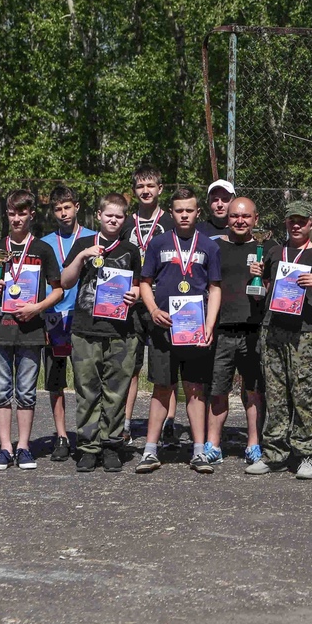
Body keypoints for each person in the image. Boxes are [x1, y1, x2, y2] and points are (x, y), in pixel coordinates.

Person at [246, 201, 312, 478]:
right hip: (273, 329)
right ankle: (274, 453)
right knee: (275, 393)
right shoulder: (274, 252)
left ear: (311, 223)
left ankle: (307, 455)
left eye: (301, 221)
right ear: (286, 223)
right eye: (291, 221)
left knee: (303, 394)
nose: (296, 225)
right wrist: (256, 281)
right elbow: (261, 292)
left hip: (306, 334)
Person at [140, 187, 224, 473]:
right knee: (162, 387)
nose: (184, 214)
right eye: (179, 210)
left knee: (195, 389)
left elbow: (214, 288)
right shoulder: (158, 243)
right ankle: (150, 450)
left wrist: (209, 324)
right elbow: (144, 281)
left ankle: (199, 451)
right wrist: (152, 310)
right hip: (164, 328)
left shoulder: (209, 246)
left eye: (189, 210)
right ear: (171, 212)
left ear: (198, 212)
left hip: (195, 330)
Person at [0, 190, 64, 470]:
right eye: (12, 213)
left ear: (31, 215)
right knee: (1, 391)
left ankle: (24, 447)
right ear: (7, 214)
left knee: (26, 391)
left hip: (31, 330)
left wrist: (37, 308)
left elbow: (59, 290)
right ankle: (4, 447)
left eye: (22, 213)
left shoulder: (42, 250)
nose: (17, 219)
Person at [60, 193, 143, 473]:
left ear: (125, 220)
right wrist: (82, 256)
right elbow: (65, 280)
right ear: (98, 215)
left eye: (119, 217)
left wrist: (136, 294)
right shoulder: (83, 244)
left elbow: (141, 285)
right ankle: (87, 446)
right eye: (108, 215)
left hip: (120, 331)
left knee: (116, 391)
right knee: (86, 390)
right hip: (86, 329)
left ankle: (111, 445)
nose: (113, 220)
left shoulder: (130, 250)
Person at [210, 196, 265, 466]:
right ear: (227, 218)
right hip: (221, 329)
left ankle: (253, 443)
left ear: (255, 218)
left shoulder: (267, 249)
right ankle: (213, 444)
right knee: (218, 389)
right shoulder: (214, 248)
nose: (239, 221)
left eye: (245, 216)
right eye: (234, 216)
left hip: (252, 330)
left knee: (253, 391)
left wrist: (263, 279)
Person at [40, 185, 93, 462]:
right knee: (55, 381)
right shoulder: (44, 242)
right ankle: (61, 436)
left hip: (85, 318)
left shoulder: (93, 239)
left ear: (77, 207)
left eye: (68, 207)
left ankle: (87, 434)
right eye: (58, 209)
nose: (64, 213)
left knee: (87, 381)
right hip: (53, 318)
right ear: (53, 212)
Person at [120, 165, 169, 444]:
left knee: (165, 366)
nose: (146, 191)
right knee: (131, 366)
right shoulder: (126, 224)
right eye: (140, 187)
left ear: (160, 189)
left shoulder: (172, 222)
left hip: (162, 303)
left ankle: (167, 424)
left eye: (151, 186)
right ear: (134, 191)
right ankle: (125, 424)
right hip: (131, 304)